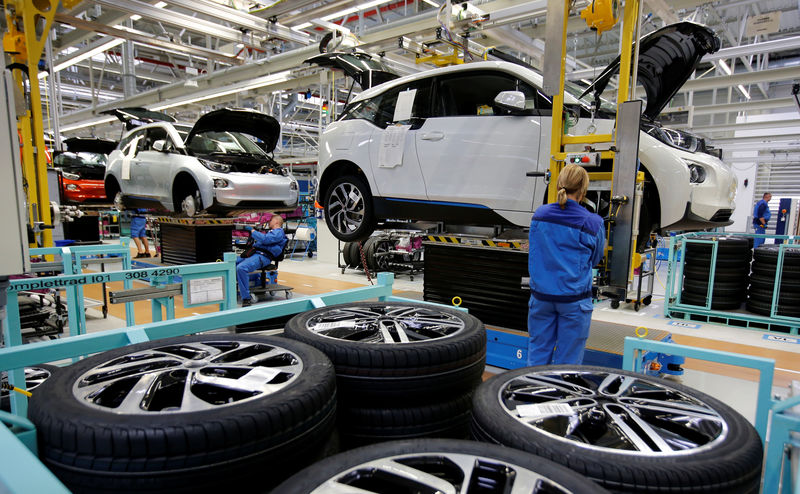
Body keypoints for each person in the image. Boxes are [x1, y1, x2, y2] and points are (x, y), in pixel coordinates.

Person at [527, 164, 605, 366]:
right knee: (567, 363)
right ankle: (561, 396)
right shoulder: (592, 222)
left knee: (537, 353)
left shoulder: (540, 215)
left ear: (559, 184)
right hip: (573, 302)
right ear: (583, 190)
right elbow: (595, 259)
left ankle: (531, 395)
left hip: (541, 299)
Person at [236, 215, 287, 306]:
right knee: (230, 264)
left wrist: (252, 231)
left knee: (241, 268)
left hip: (263, 257)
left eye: (270, 220)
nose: (268, 222)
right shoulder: (270, 232)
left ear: (276, 222)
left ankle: (246, 298)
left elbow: (265, 239)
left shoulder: (279, 232)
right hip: (254, 254)